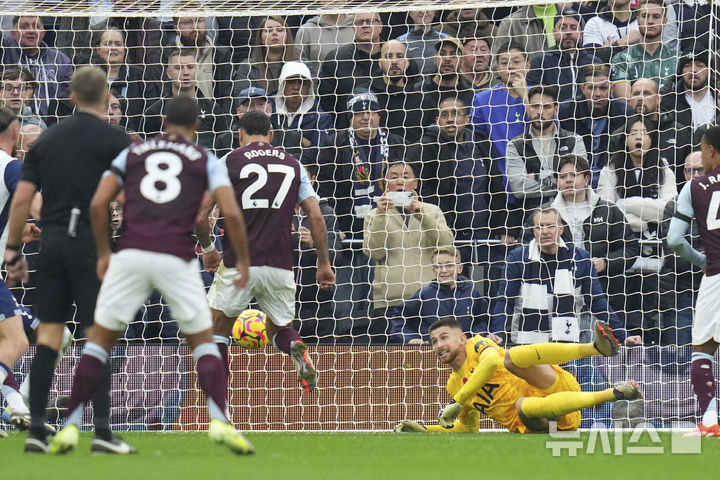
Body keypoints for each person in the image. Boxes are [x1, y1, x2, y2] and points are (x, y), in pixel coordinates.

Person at [50, 95, 253, 455]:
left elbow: (99, 203)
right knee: (204, 341)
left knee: (99, 340)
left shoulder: (133, 153)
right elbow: (231, 214)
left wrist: (102, 252)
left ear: (162, 122)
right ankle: (219, 419)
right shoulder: (205, 158)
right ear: (197, 127)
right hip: (176, 255)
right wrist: (242, 263)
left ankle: (68, 427)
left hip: (130, 254)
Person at [3, 66, 132, 453]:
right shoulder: (116, 139)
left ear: (71, 98)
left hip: (53, 244)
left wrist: (12, 249)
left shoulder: (46, 139)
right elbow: (130, 197)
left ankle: (37, 432)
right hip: (92, 245)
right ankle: (104, 433)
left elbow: (23, 200)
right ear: (108, 98)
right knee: (98, 336)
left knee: (48, 338)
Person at [201, 110, 335, 393]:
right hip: (280, 264)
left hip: (239, 262)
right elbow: (317, 217)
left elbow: (201, 216)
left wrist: (209, 249)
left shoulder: (229, 161)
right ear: (271, 136)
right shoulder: (294, 164)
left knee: (215, 330)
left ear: (240, 135)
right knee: (280, 329)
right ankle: (296, 347)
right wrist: (324, 263)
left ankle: (218, 402)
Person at [393, 317, 641, 433]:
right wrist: (426, 429)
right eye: (434, 341)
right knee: (522, 405)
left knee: (510, 357)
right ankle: (614, 393)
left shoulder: (477, 346)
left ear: (461, 339)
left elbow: (491, 361)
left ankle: (593, 349)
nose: (438, 345)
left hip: (551, 386)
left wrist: (458, 402)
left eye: (443, 338)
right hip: (542, 424)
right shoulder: (454, 384)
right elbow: (467, 429)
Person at [492, 207, 640, 346]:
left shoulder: (581, 258)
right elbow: (505, 300)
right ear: (533, 231)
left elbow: (597, 302)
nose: (545, 231)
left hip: (568, 343)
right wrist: (497, 332)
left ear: (561, 229)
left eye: (550, 226)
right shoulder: (517, 258)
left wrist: (623, 335)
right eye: (539, 227)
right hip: (526, 343)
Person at [667, 125, 720, 436]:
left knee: (703, 350)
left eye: (701, 149)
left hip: (715, 275)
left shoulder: (694, 187)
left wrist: (702, 260)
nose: (700, 156)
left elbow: (675, 240)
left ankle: (711, 420)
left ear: (711, 150)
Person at [363, 162, 453, 339]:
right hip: (389, 302)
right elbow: (375, 252)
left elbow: (446, 246)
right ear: (385, 183)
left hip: (430, 300)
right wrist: (382, 215)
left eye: (405, 176)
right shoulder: (374, 214)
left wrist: (422, 217)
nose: (399, 181)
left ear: (416, 183)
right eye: (394, 177)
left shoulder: (432, 211)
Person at [506, 85, 587, 223]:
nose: (540, 112)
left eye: (547, 107)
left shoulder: (574, 140)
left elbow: (579, 181)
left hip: (572, 215)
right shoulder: (515, 145)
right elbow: (519, 188)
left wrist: (537, 177)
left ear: (556, 110)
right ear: (528, 108)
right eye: (535, 106)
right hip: (531, 219)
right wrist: (560, 181)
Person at [389, 247, 490, 345]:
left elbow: (483, 321)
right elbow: (399, 320)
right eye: (438, 266)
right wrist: (411, 339)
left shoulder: (472, 293)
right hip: (433, 354)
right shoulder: (424, 295)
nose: (444, 270)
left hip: (465, 353)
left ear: (459, 268)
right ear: (433, 271)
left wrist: (475, 337)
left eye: (449, 265)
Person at [142, 49, 231, 155]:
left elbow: (224, 148)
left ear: (196, 70)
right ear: (168, 73)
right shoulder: (154, 112)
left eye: (190, 67)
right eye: (179, 68)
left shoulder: (213, 109)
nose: (185, 72)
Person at [558, 63, 633, 188]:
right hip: (574, 177)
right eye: (592, 88)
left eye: (603, 88)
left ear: (612, 88)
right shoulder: (566, 112)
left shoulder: (624, 113)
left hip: (612, 178)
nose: (597, 94)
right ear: (582, 88)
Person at [659, 151, 704, 346]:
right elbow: (674, 256)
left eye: (700, 170)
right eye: (690, 171)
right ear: (684, 174)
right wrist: (707, 262)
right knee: (678, 363)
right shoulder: (673, 207)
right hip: (681, 295)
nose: (695, 176)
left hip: (715, 292)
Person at [0, 16, 74, 118]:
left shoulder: (61, 60)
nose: (31, 30)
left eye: (36, 26)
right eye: (24, 27)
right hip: (14, 125)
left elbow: (70, 95)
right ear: (13, 33)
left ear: (43, 33)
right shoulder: (5, 52)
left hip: (54, 127)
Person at [318, 12, 383, 127]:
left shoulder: (394, 56)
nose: (364, 25)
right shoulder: (336, 58)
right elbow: (326, 102)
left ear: (380, 26)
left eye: (370, 21)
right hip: (346, 133)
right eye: (359, 22)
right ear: (353, 28)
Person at [626, 77, 692, 189]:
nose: (640, 98)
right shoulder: (620, 135)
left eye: (646, 94)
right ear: (629, 100)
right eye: (636, 94)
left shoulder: (679, 132)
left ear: (658, 99)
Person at [610, 0, 679, 101]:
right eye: (645, 16)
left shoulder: (677, 58)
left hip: (669, 115)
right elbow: (625, 103)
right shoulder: (622, 59)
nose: (650, 21)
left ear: (665, 21)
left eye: (656, 16)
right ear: (638, 20)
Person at [526, 8, 598, 103]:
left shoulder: (594, 62)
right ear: (554, 33)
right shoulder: (540, 62)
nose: (568, 32)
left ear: (581, 34)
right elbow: (533, 98)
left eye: (573, 27)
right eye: (562, 28)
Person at [170, 10, 233, 113]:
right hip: (176, 117)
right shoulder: (165, 54)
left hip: (212, 121)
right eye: (187, 22)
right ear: (176, 28)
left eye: (199, 21)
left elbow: (227, 97)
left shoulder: (221, 54)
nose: (195, 27)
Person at [272, 61, 333, 163]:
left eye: (302, 83)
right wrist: (299, 141)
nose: (296, 87)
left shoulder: (321, 118)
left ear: (309, 88)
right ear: (282, 84)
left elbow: (319, 154)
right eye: (291, 81)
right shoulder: (267, 110)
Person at [369, 40, 424, 145]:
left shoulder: (421, 100)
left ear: (407, 62)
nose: (394, 61)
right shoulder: (367, 96)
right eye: (389, 56)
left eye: (399, 56)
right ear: (380, 63)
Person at [232, 16, 299, 98]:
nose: (274, 33)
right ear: (260, 38)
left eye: (280, 30)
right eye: (268, 30)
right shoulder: (247, 67)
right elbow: (242, 101)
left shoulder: (302, 65)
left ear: (287, 35)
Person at [416, 36, 475, 127]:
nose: (447, 59)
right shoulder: (418, 91)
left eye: (453, 54)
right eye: (442, 54)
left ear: (462, 61)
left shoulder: (470, 95)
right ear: (435, 58)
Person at [660, 48, 715, 131]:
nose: (693, 70)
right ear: (681, 72)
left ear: (709, 71)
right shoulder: (668, 100)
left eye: (699, 65)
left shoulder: (717, 97)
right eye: (687, 66)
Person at [397, 10, 448, 75]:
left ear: (434, 12)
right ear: (410, 13)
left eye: (427, 7)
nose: (423, 11)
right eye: (418, 7)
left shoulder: (446, 39)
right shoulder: (400, 42)